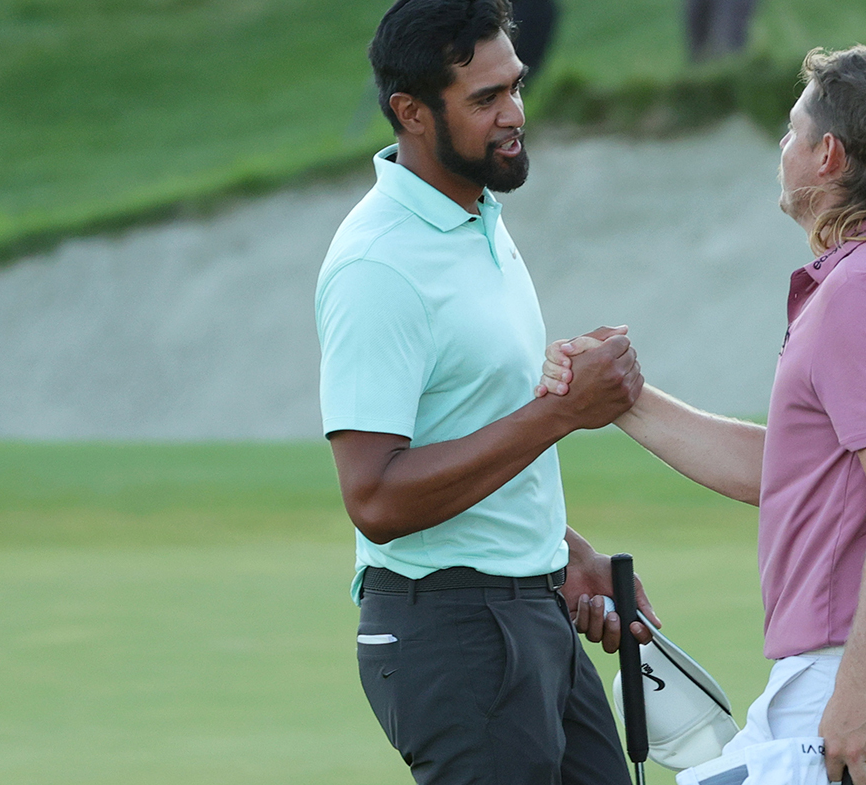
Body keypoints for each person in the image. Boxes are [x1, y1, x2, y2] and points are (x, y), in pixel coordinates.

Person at [540, 45, 866, 785]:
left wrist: (862, 686)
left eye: (791, 131)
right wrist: (620, 398)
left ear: (828, 155)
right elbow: (785, 472)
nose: (781, 148)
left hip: (860, 678)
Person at [315, 1, 659, 782]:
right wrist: (565, 412)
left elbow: (474, 423)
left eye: (515, 87)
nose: (514, 116)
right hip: (453, 635)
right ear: (411, 113)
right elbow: (374, 497)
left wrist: (562, 552)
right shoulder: (379, 267)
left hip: (533, 611)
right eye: (484, 100)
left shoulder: (477, 215)